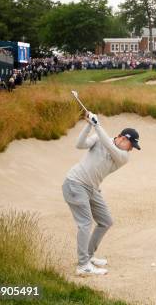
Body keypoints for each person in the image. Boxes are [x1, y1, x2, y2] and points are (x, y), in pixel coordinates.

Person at [62, 111, 140, 276]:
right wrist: (89, 125)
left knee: (106, 221)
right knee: (85, 223)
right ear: (123, 138)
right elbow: (80, 144)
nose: (131, 149)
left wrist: (97, 125)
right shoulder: (99, 138)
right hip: (75, 184)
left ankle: (88, 257)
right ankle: (83, 265)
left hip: (91, 188)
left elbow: (109, 145)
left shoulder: (123, 156)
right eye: (131, 145)